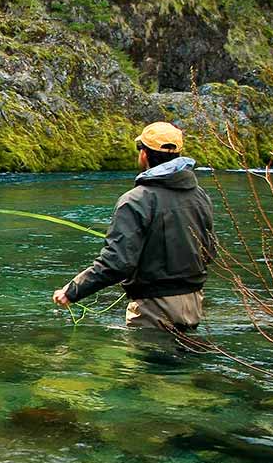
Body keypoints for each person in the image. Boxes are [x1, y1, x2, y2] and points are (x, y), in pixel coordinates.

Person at [52, 121, 216, 331]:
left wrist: (72, 291)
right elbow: (209, 251)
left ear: (144, 154)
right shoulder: (199, 195)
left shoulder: (136, 200)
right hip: (193, 303)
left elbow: (117, 263)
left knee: (148, 361)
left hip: (154, 307)